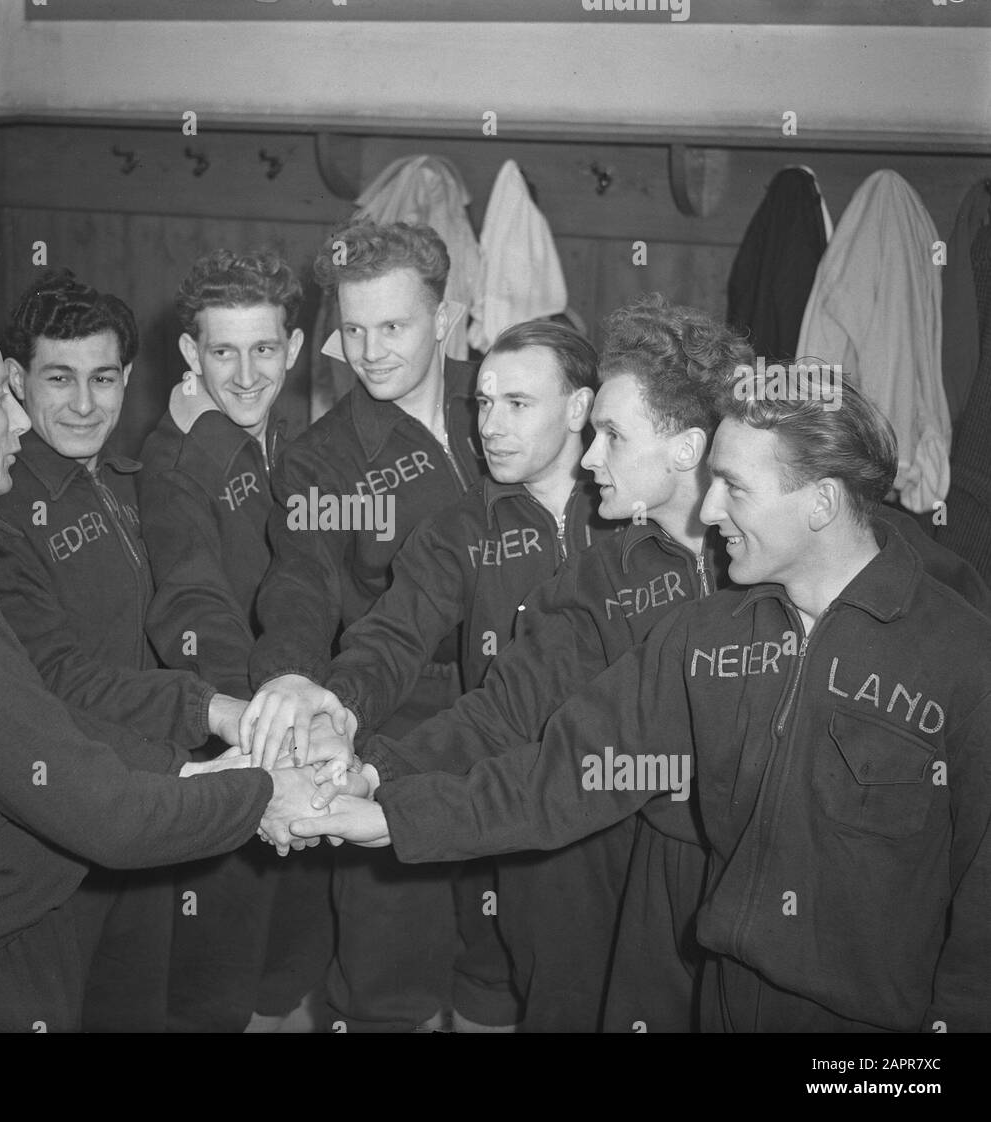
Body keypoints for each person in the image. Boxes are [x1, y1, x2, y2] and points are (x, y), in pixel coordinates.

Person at [295, 296, 989, 1031]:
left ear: (688, 449)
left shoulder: (901, 591)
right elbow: (525, 732)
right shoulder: (625, 587)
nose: (589, 456)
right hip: (641, 865)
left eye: (612, 435)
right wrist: (378, 779)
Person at [0, 304, 318, 1032]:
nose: (20, 419)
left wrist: (189, 767)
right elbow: (108, 816)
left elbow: (36, 724)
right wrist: (263, 791)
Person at [273, 317, 627, 1031]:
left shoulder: (630, 520)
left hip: (620, 810)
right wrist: (336, 709)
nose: (490, 425)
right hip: (496, 798)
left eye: (518, 404)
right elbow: (389, 638)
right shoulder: (460, 530)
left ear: (579, 409)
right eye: (485, 403)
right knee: (483, 981)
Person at [240, 218, 516, 1032]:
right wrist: (293, 675)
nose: (369, 352)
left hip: (526, 719)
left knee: (504, 963)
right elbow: (301, 580)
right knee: (388, 976)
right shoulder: (324, 459)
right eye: (353, 330)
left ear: (445, 317)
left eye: (392, 326)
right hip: (396, 727)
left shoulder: (507, 402)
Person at [0, 270, 246, 1031]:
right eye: (58, 378)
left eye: (103, 378)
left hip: (151, 798)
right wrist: (211, 713)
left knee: (137, 1010)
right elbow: (56, 680)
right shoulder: (0, 513)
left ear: (127, 378)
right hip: (58, 829)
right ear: (16, 380)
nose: (84, 403)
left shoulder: (131, 484)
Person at [137, 248, 332, 1032]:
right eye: (223, 352)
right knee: (219, 982)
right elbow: (192, 611)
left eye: (264, 350)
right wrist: (266, 731)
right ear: (191, 353)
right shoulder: (175, 459)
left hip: (295, 728)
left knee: (290, 961)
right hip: (236, 744)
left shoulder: (282, 435)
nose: (247, 375)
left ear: (294, 348)